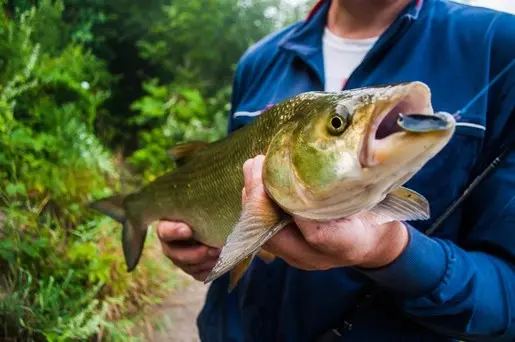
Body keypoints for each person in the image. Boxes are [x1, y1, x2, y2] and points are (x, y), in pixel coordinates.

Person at [157, 0, 515, 340]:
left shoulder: (501, 45)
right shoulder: (259, 60)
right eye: (338, 124)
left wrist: (392, 252)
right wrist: (211, 251)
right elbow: (225, 189)